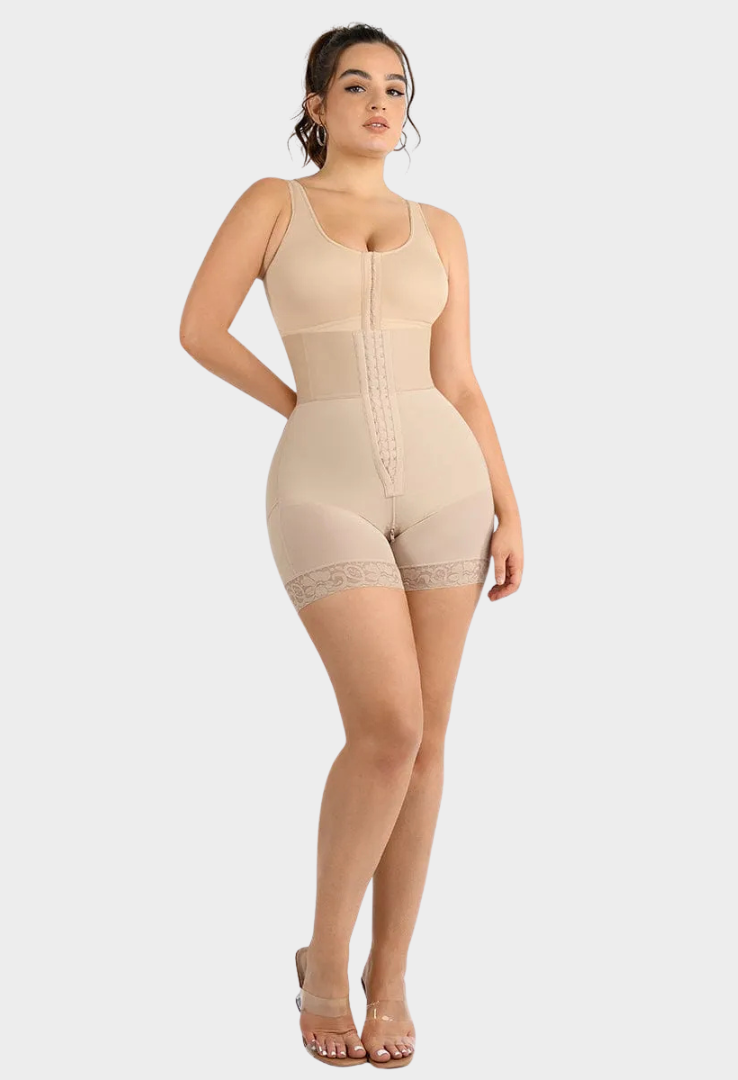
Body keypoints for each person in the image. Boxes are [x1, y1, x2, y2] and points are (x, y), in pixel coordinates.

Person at [179, 23, 523, 1067]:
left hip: (449, 488)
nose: (381, 103)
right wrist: (301, 405)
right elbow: (200, 328)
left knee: (427, 739)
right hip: (321, 489)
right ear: (317, 105)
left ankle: (392, 972)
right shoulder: (273, 204)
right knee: (387, 727)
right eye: (358, 85)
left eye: (396, 88)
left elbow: (459, 381)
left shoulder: (442, 227)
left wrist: (511, 506)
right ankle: (324, 960)